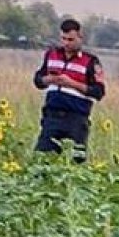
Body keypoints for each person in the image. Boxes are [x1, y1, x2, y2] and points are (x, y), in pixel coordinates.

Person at [32, 19, 106, 163]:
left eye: (71, 39)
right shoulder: (51, 55)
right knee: (41, 161)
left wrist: (72, 84)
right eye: (63, 39)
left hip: (76, 119)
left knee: (76, 162)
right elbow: (38, 80)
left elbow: (98, 92)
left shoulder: (90, 61)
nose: (66, 43)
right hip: (52, 117)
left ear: (80, 37)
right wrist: (49, 79)